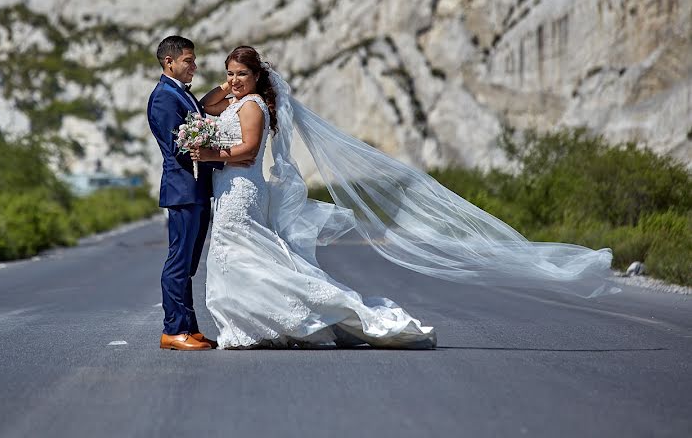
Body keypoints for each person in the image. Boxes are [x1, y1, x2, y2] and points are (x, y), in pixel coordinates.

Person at [191, 46, 615, 349]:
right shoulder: (237, 99)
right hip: (230, 190)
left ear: (258, 79)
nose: (232, 81)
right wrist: (228, 85)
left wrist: (208, 151)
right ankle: (257, 321)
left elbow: (246, 153)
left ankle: (284, 317)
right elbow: (206, 104)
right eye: (229, 73)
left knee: (243, 252)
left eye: (240, 75)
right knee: (246, 254)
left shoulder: (251, 108)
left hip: (241, 188)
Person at [146, 36, 253, 351]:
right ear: (170, 62)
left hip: (196, 187)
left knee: (189, 264)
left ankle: (189, 328)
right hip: (183, 189)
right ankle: (173, 330)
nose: (194, 66)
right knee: (178, 262)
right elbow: (180, 146)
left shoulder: (180, 93)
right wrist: (217, 149)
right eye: (189, 61)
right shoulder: (164, 97)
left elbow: (200, 117)